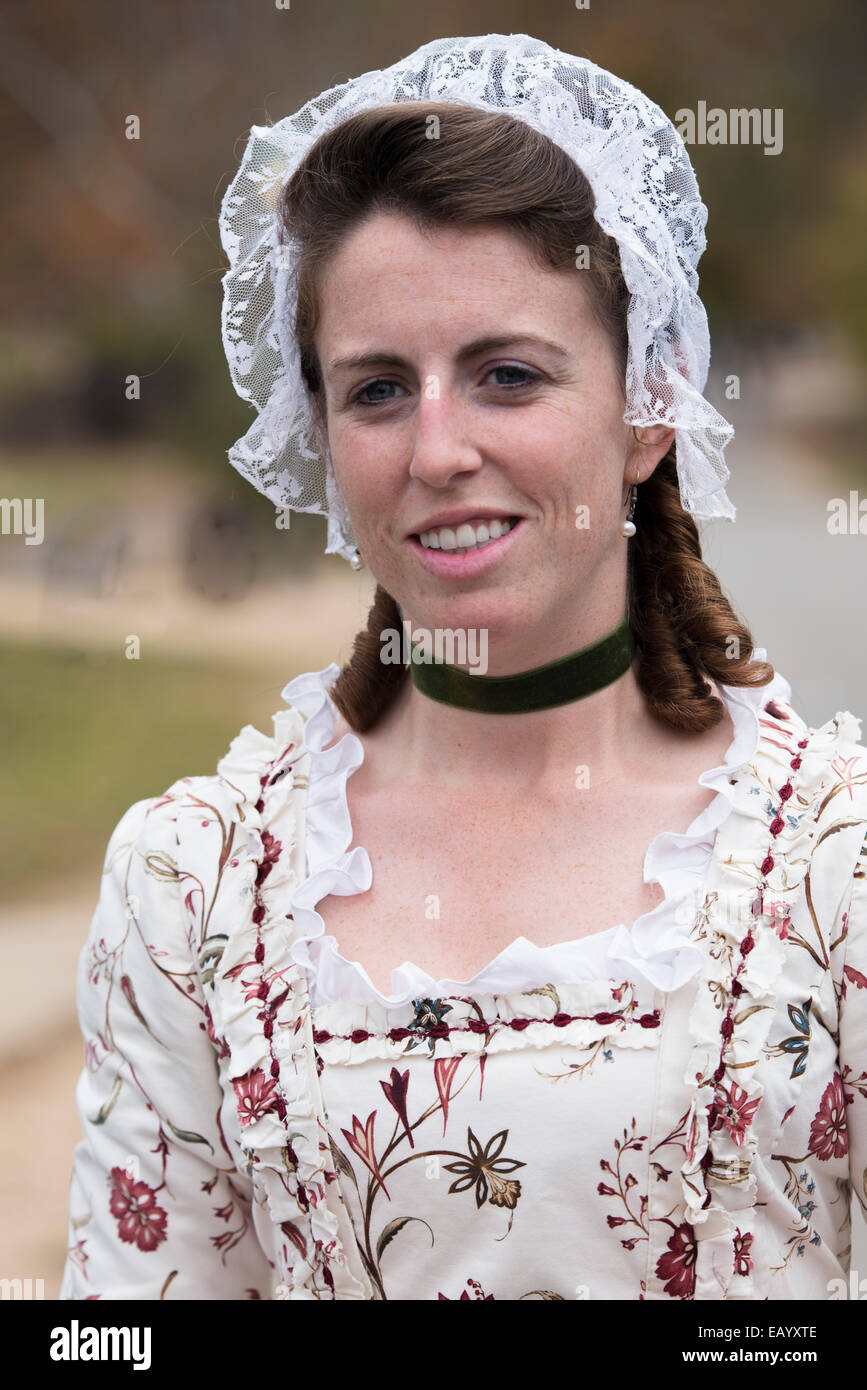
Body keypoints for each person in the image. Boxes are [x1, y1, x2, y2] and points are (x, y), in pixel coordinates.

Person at [60, 34, 867, 1301]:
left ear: (646, 408)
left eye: (507, 374)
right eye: (379, 389)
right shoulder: (194, 889)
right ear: (320, 436)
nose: (438, 449)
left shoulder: (839, 871)